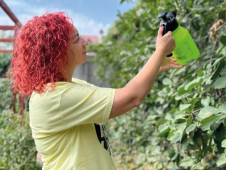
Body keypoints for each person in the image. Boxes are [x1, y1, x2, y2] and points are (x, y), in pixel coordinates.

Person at [9, 12, 183, 170]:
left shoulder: (74, 86)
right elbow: (132, 98)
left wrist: (156, 64)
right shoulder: (55, 97)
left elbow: (122, 96)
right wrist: (159, 51)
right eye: (76, 39)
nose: (85, 42)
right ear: (58, 53)